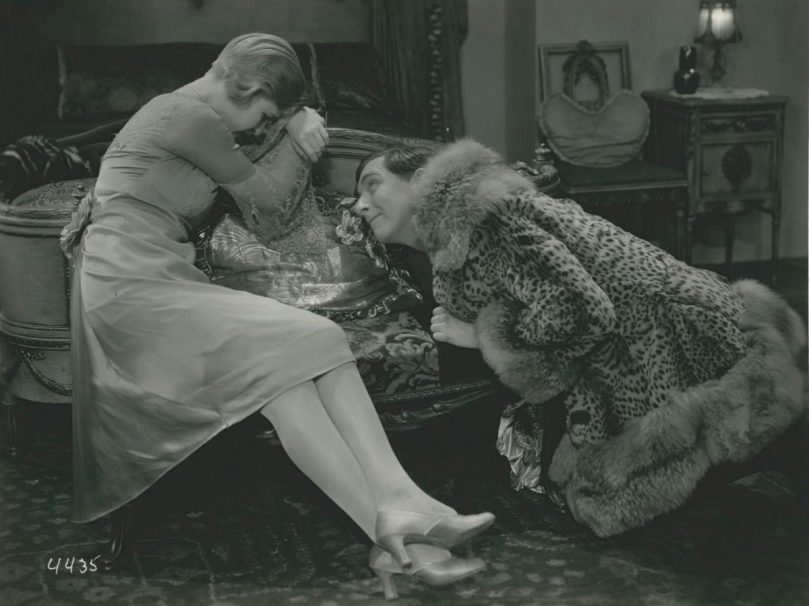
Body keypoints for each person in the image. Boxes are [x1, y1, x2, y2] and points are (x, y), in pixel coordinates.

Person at [60, 34, 494, 598]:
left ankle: (395, 526)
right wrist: (297, 126)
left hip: (155, 279)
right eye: (265, 113)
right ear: (250, 88)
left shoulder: (190, 118)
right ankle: (399, 508)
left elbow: (254, 191)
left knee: (287, 377)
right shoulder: (187, 116)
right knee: (316, 335)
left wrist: (288, 120)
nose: (258, 128)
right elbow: (269, 210)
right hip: (131, 288)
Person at [353, 139, 808, 537]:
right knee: (582, 487)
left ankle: (778, 438)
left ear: (420, 179)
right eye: (356, 195)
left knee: (611, 494)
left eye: (373, 185)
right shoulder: (468, 222)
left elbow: (582, 311)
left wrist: (482, 335)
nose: (360, 204)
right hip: (660, 337)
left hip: (682, 343)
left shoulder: (485, 222)